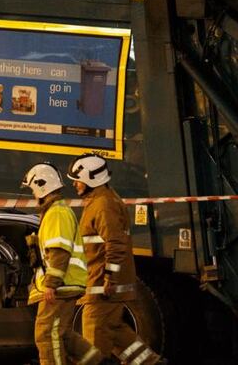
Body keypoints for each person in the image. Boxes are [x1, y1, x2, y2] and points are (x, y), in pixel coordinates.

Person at [67, 153, 166, 365]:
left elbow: (115, 244)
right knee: (115, 332)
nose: (75, 184)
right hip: (100, 282)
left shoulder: (103, 205)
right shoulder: (100, 201)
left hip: (103, 287)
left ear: (91, 179)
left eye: (78, 180)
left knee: (94, 341)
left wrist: (109, 278)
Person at [21, 163, 104, 365]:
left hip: (60, 286)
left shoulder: (56, 213)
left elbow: (59, 250)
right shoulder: (56, 211)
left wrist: (51, 283)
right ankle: (97, 362)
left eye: (33, 189)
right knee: (63, 334)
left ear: (42, 186)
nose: (33, 195)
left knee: (47, 334)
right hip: (65, 284)